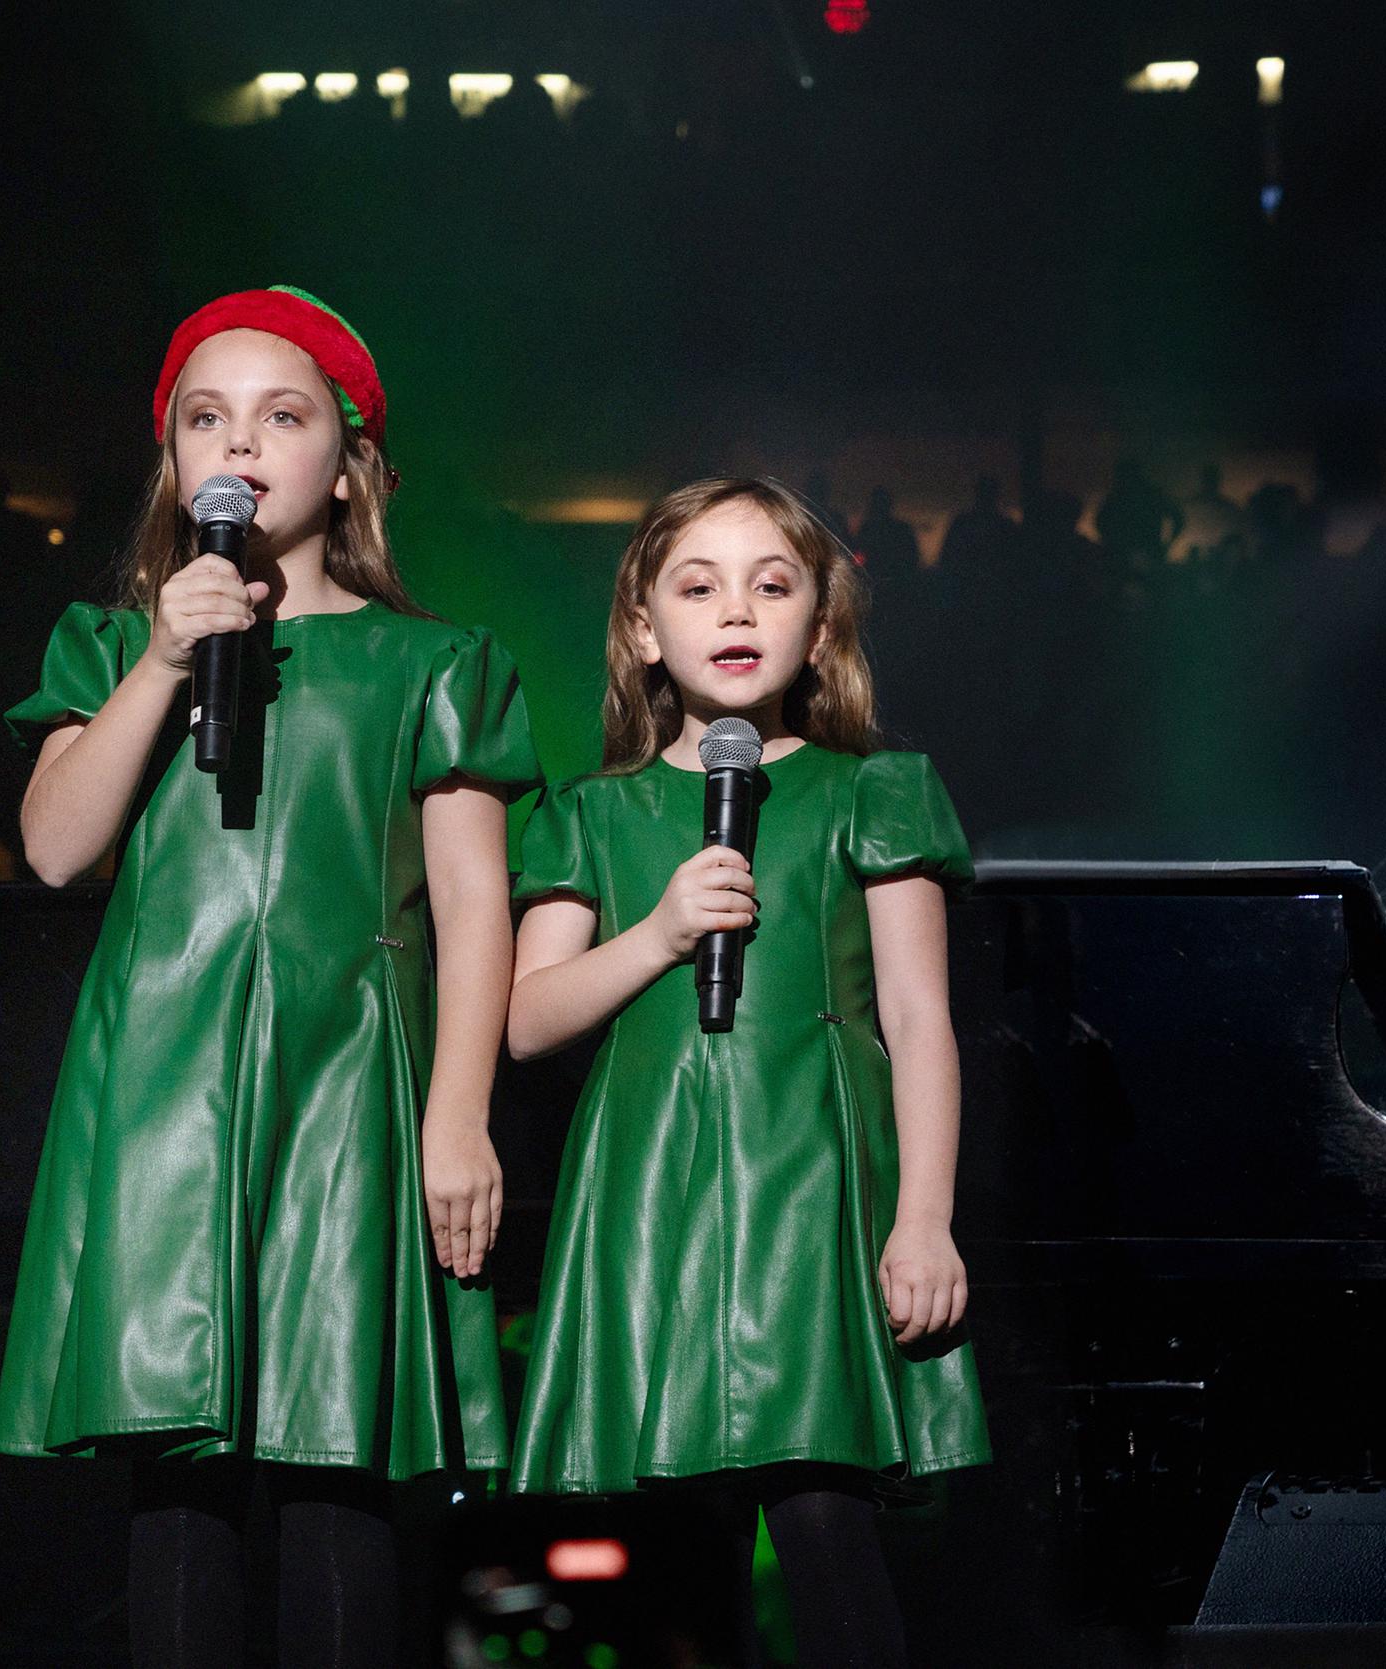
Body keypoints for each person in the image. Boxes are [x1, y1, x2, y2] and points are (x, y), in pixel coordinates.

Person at [0, 287, 539, 1666]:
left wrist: (458, 1112)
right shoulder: (114, 646)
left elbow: (477, 906)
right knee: (178, 1471)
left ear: (348, 463)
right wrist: (170, 657)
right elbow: (55, 849)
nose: (240, 444)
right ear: (173, 461)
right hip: (161, 1092)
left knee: (332, 1456)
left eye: (281, 415)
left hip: (346, 1085)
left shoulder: (435, 665)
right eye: (205, 418)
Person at [505, 477, 989, 1669]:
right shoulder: (593, 815)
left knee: (823, 1521)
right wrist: (661, 934)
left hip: (810, 1184)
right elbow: (525, 1019)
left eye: (772, 586)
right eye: (699, 584)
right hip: (649, 1190)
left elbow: (920, 1019)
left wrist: (923, 1219)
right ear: (642, 626)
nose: (737, 611)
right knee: (662, 1552)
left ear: (818, 630)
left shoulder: (870, 790)